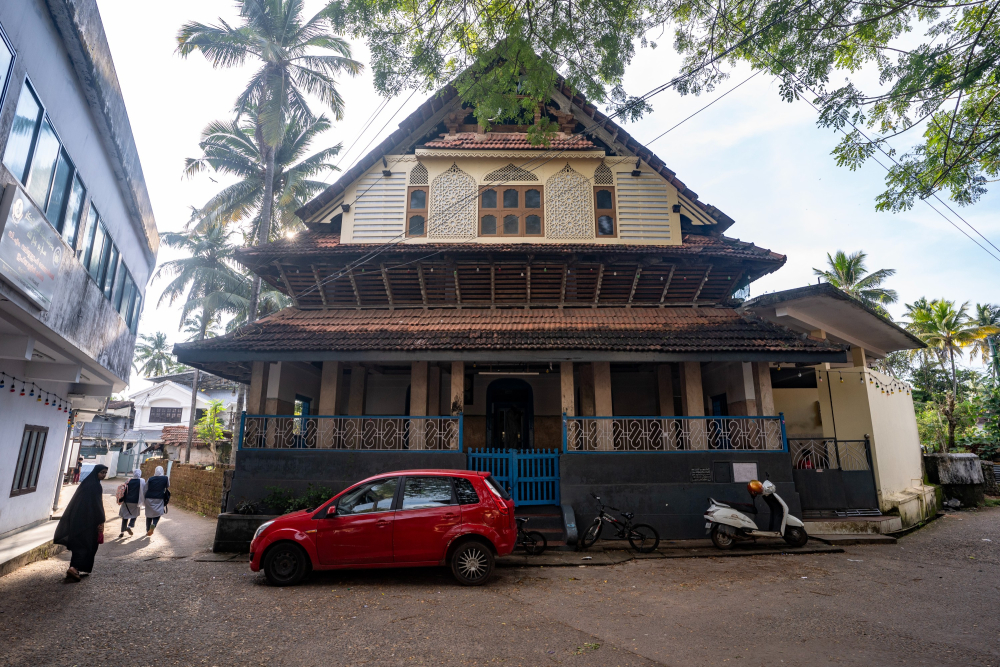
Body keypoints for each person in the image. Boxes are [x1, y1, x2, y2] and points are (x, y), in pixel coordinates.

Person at [53, 464, 107, 582]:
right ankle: (74, 568)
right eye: (102, 472)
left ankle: (74, 568)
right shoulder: (96, 486)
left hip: (78, 519)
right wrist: (101, 520)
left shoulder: (86, 483)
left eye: (105, 473)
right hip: (89, 522)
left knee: (79, 545)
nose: (103, 475)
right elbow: (97, 505)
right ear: (96, 472)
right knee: (86, 546)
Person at [117, 468, 145, 538]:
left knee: (125, 517)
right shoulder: (141, 481)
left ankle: (122, 532)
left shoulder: (128, 480)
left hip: (126, 501)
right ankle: (129, 526)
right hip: (136, 501)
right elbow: (145, 490)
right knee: (134, 515)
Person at [143, 466, 169, 537]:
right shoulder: (165, 478)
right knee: (158, 513)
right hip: (159, 498)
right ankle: (153, 524)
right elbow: (167, 486)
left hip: (149, 498)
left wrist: (144, 498)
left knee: (149, 515)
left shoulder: (150, 479)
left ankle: (148, 530)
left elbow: (145, 488)